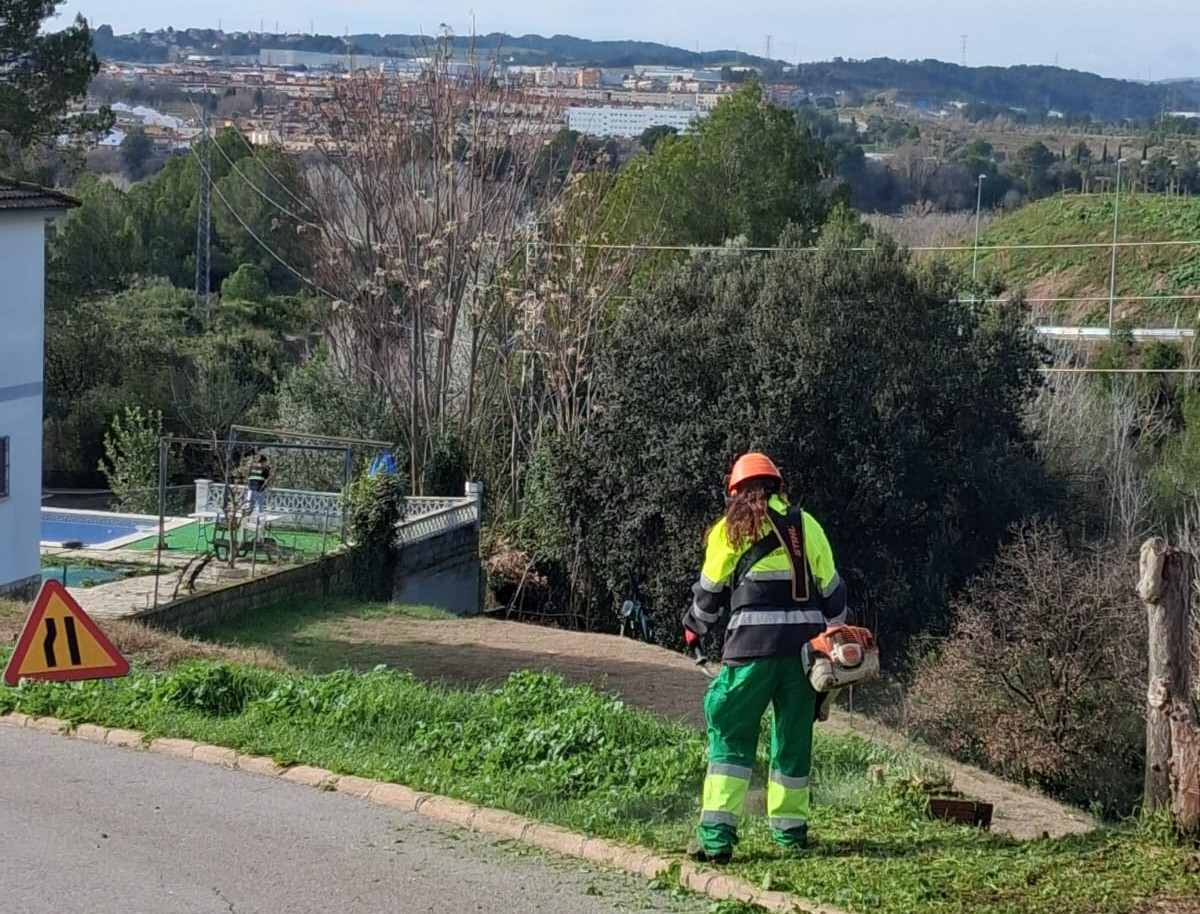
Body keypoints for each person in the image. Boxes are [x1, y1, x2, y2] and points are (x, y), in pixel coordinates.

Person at [681, 452, 849, 863]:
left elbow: (708, 594)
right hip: (803, 658)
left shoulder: (729, 530)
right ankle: (790, 836)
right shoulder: (806, 525)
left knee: (731, 734)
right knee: (793, 740)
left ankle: (716, 840)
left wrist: (693, 627)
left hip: (750, 654)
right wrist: (832, 639)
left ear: (735, 494)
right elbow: (833, 593)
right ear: (779, 487)